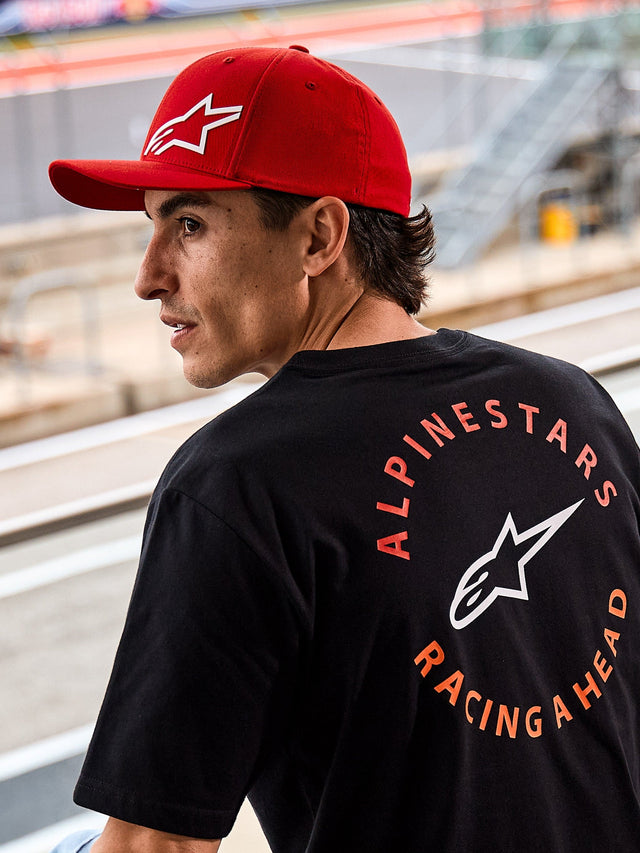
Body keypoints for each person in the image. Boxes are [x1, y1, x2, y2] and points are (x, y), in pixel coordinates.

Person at [48, 45, 640, 853]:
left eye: (189, 225)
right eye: (150, 227)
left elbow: (157, 845)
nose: (149, 277)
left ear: (319, 236)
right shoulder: (574, 400)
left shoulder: (237, 483)